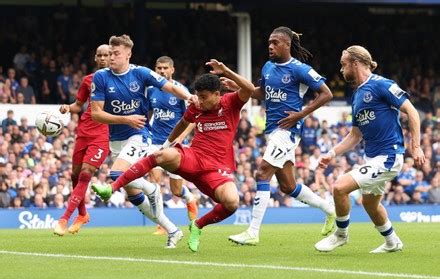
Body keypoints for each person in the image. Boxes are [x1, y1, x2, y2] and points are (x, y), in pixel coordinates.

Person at [92, 59, 255, 252]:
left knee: (232, 202)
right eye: (197, 97)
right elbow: (182, 124)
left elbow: (250, 89)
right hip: (194, 156)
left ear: (217, 94)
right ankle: (111, 188)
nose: (199, 101)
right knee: (162, 156)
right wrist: (168, 144)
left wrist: (226, 70)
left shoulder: (231, 103)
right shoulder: (196, 106)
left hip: (218, 166)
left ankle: (197, 225)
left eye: (203, 97)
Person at [227, 26, 336, 246]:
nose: (270, 46)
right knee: (288, 186)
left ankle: (252, 232)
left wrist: (301, 114)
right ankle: (329, 208)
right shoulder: (268, 67)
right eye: (269, 42)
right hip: (272, 131)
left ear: (287, 44)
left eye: (275, 42)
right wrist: (239, 87)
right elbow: (261, 93)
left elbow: (327, 93)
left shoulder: (300, 69)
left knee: (262, 172)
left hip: (287, 131)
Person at [315, 45, 425, 253]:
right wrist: (331, 153)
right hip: (373, 158)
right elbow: (355, 136)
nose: (341, 69)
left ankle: (340, 235)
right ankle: (393, 242)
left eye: (343, 64)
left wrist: (416, 146)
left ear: (355, 63)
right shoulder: (357, 96)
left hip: (389, 156)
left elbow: (411, 111)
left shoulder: (382, 84)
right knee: (370, 203)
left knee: (339, 187)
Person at [90, 34, 197, 248]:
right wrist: (125, 118)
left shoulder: (141, 73)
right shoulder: (101, 77)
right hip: (117, 137)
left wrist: (189, 97)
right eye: (109, 53)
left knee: (116, 174)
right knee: (133, 196)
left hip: (140, 134)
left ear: (128, 54)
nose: (111, 57)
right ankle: (172, 229)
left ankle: (154, 189)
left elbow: (171, 87)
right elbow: (95, 114)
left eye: (116, 53)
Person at [53, 44, 111, 236]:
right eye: (100, 55)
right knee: (75, 176)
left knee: (86, 173)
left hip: (101, 135)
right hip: (83, 132)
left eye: (107, 55)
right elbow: (79, 105)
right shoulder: (88, 80)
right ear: (95, 58)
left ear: (113, 57)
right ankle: (83, 215)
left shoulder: (120, 82)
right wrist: (67, 108)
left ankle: (64, 219)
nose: (103, 58)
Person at [146, 56, 198, 235]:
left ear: (172, 70)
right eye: (158, 68)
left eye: (165, 68)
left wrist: (181, 137)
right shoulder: (151, 90)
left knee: (176, 190)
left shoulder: (180, 91)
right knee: (154, 180)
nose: (161, 71)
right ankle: (162, 223)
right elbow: (148, 112)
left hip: (175, 144)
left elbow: (193, 118)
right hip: (155, 141)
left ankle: (190, 198)